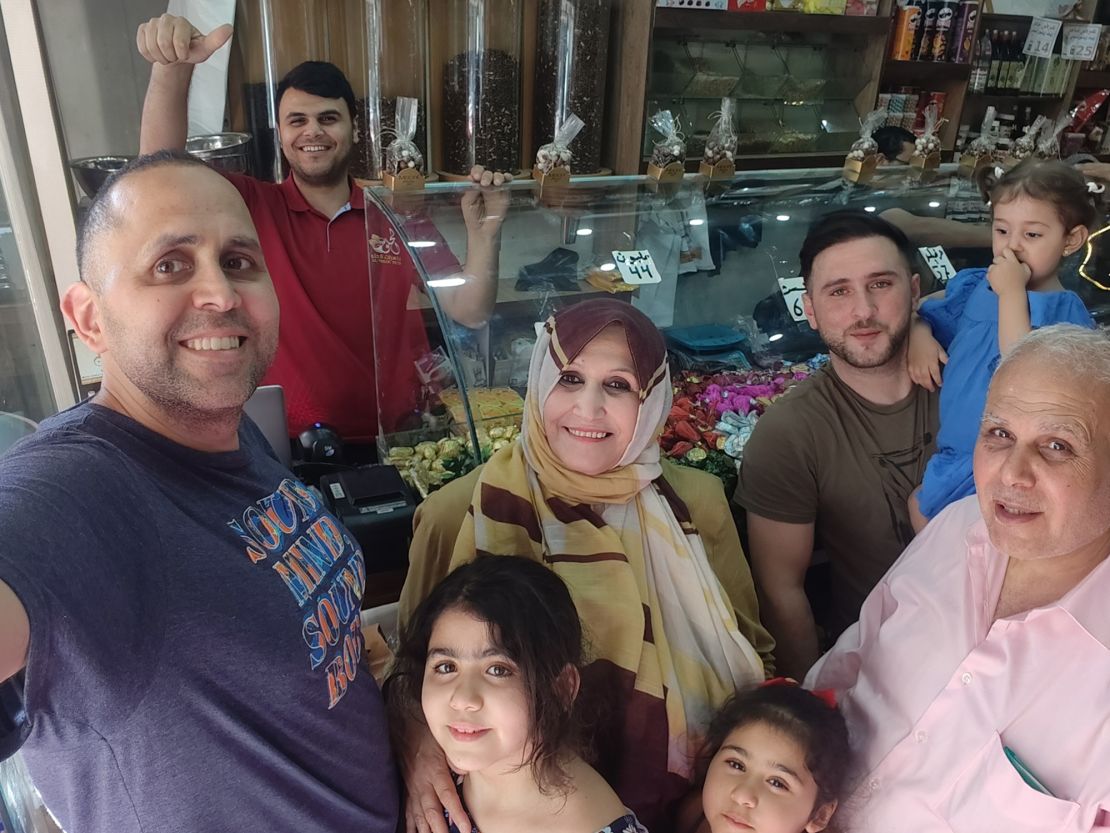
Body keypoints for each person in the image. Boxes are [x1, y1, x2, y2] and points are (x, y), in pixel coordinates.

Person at [0, 152, 397, 832]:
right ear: (89, 317)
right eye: (170, 265)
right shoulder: (74, 489)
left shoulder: (228, 433)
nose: (219, 293)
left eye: (239, 261)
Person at [398, 299, 774, 832]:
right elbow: (413, 670)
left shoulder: (695, 501)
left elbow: (749, 651)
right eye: (569, 378)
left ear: (652, 399)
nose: (589, 408)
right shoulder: (456, 513)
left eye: (619, 385)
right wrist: (419, 749)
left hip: (685, 807)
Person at [137, 14, 510, 442]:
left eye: (328, 118)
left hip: (402, 439)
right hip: (289, 443)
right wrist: (172, 68)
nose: (312, 131)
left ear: (354, 129)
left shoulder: (394, 213)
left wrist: (486, 233)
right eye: (297, 121)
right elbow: (159, 175)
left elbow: (469, 309)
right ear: (280, 135)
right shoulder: (249, 208)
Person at [807, 324, 1110, 832]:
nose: (1012, 473)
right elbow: (842, 672)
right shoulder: (958, 527)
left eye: (1057, 445)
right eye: (999, 434)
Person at [734, 211, 938, 681]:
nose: (863, 310)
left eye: (881, 284)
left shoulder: (973, 376)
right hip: (882, 673)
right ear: (808, 307)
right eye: (839, 291)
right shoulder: (790, 432)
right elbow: (781, 592)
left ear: (915, 290)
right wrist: (813, 707)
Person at [389, 556, 649, 833]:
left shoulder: (589, 823)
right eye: (446, 667)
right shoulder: (440, 756)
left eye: (498, 670)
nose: (462, 699)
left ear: (561, 688)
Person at [907, 160, 1097, 530]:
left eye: (1033, 235)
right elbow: (922, 309)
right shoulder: (975, 286)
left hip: (1010, 461)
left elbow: (1021, 369)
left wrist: (1011, 293)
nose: (1012, 247)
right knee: (925, 517)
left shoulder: (1065, 314)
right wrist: (919, 336)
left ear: (1071, 240)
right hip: (954, 453)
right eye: (1002, 230)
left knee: (973, 540)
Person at [679, 680, 849, 833]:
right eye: (736, 764)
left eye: (777, 783)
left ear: (820, 816)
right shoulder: (694, 814)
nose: (742, 795)